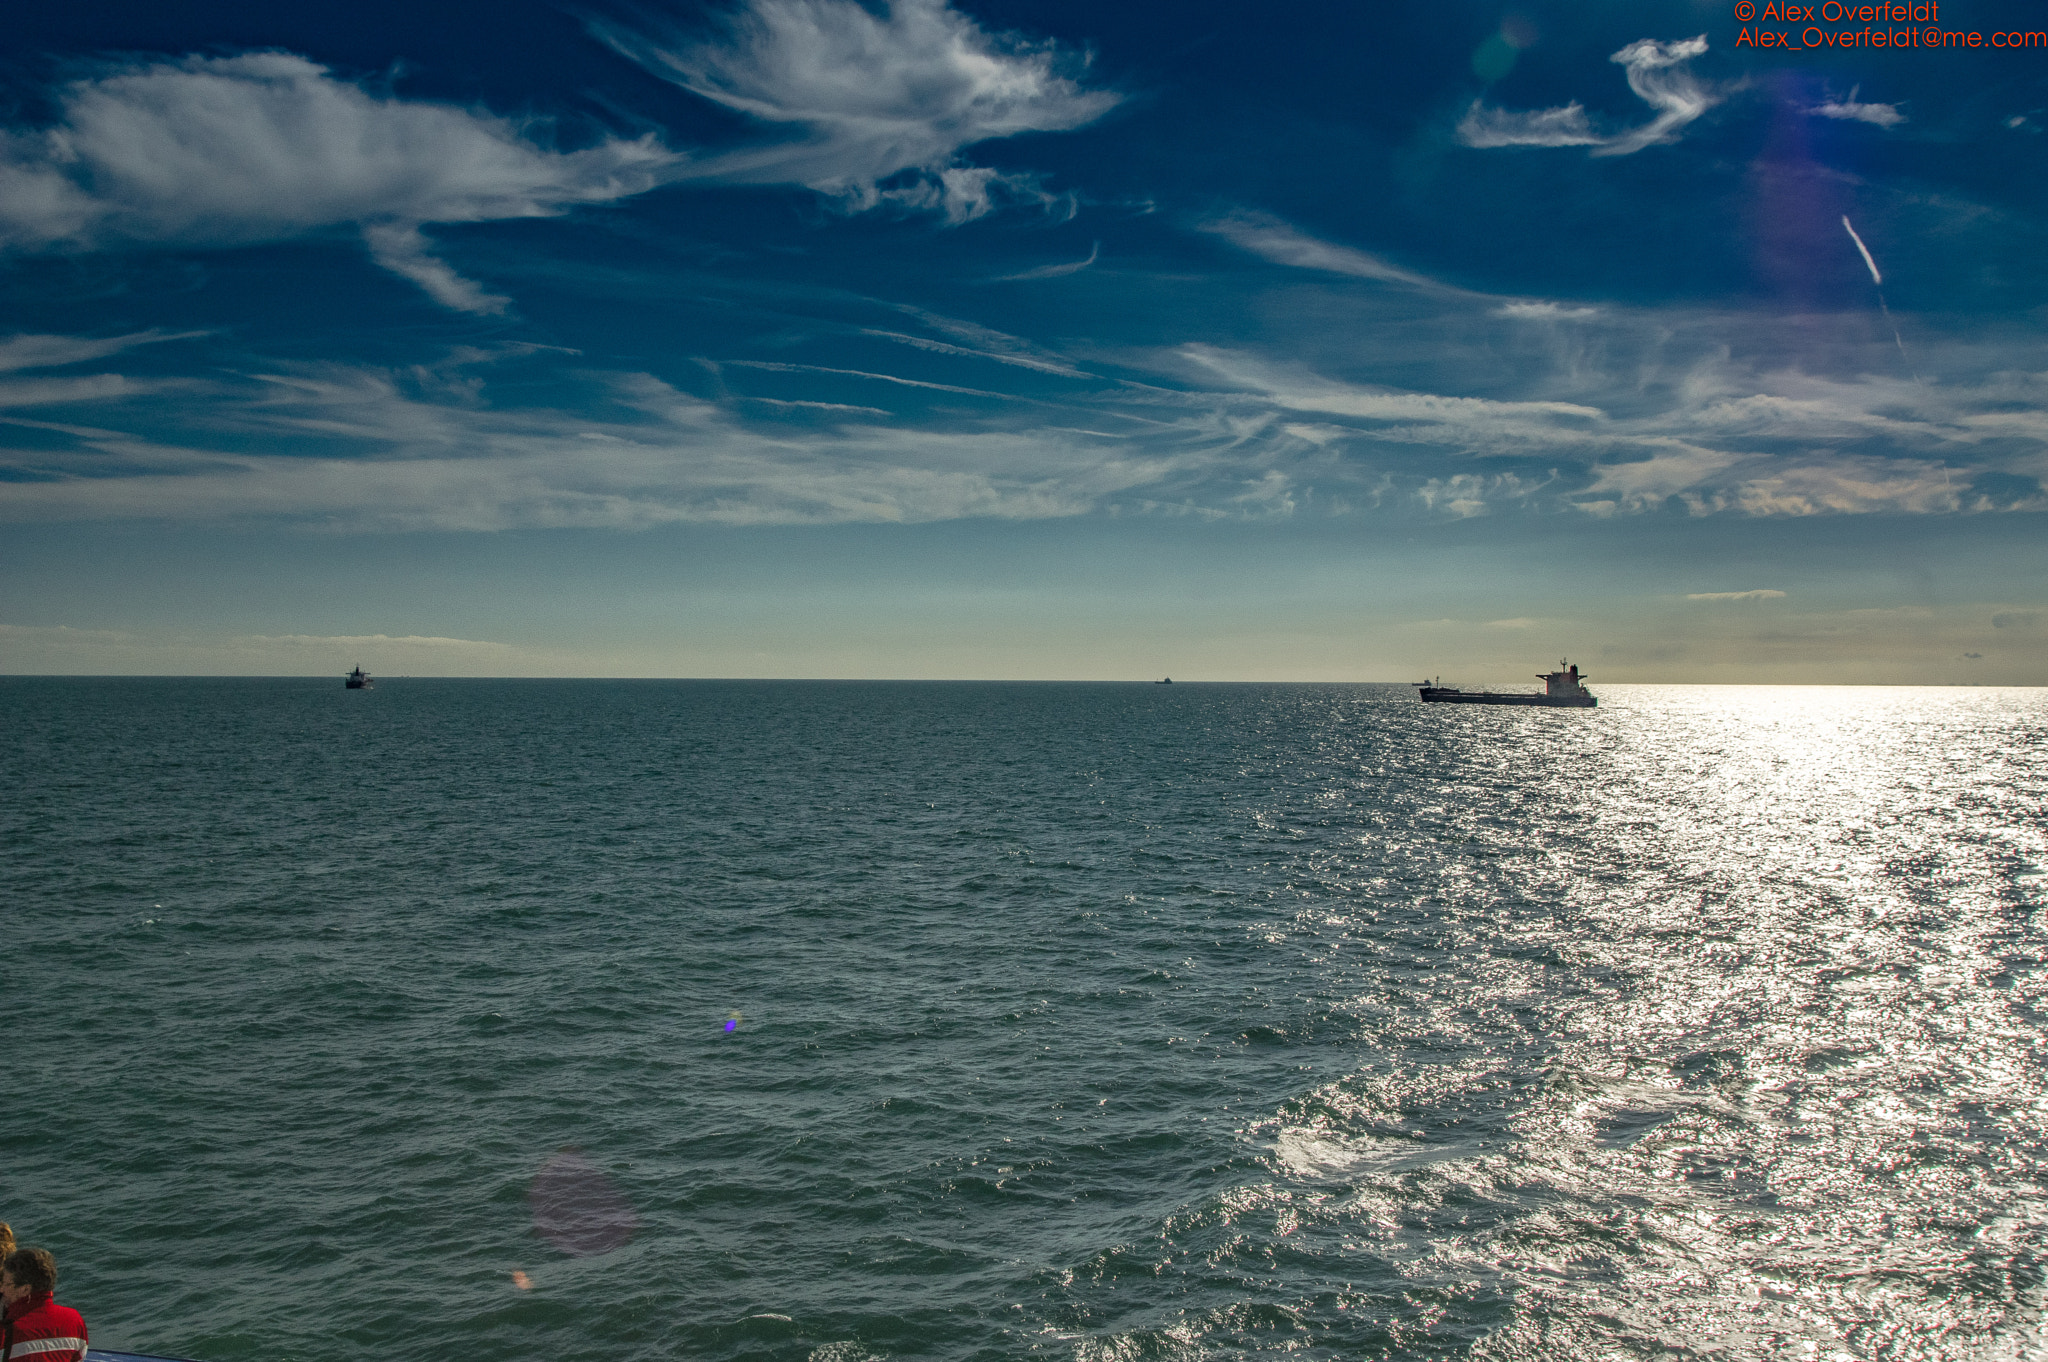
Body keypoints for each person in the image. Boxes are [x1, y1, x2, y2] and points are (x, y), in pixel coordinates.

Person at [0, 1247, 87, 1362]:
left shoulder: (6, 1332)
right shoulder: (74, 1320)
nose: (1, 1289)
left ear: (25, 1289)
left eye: (7, 1284)